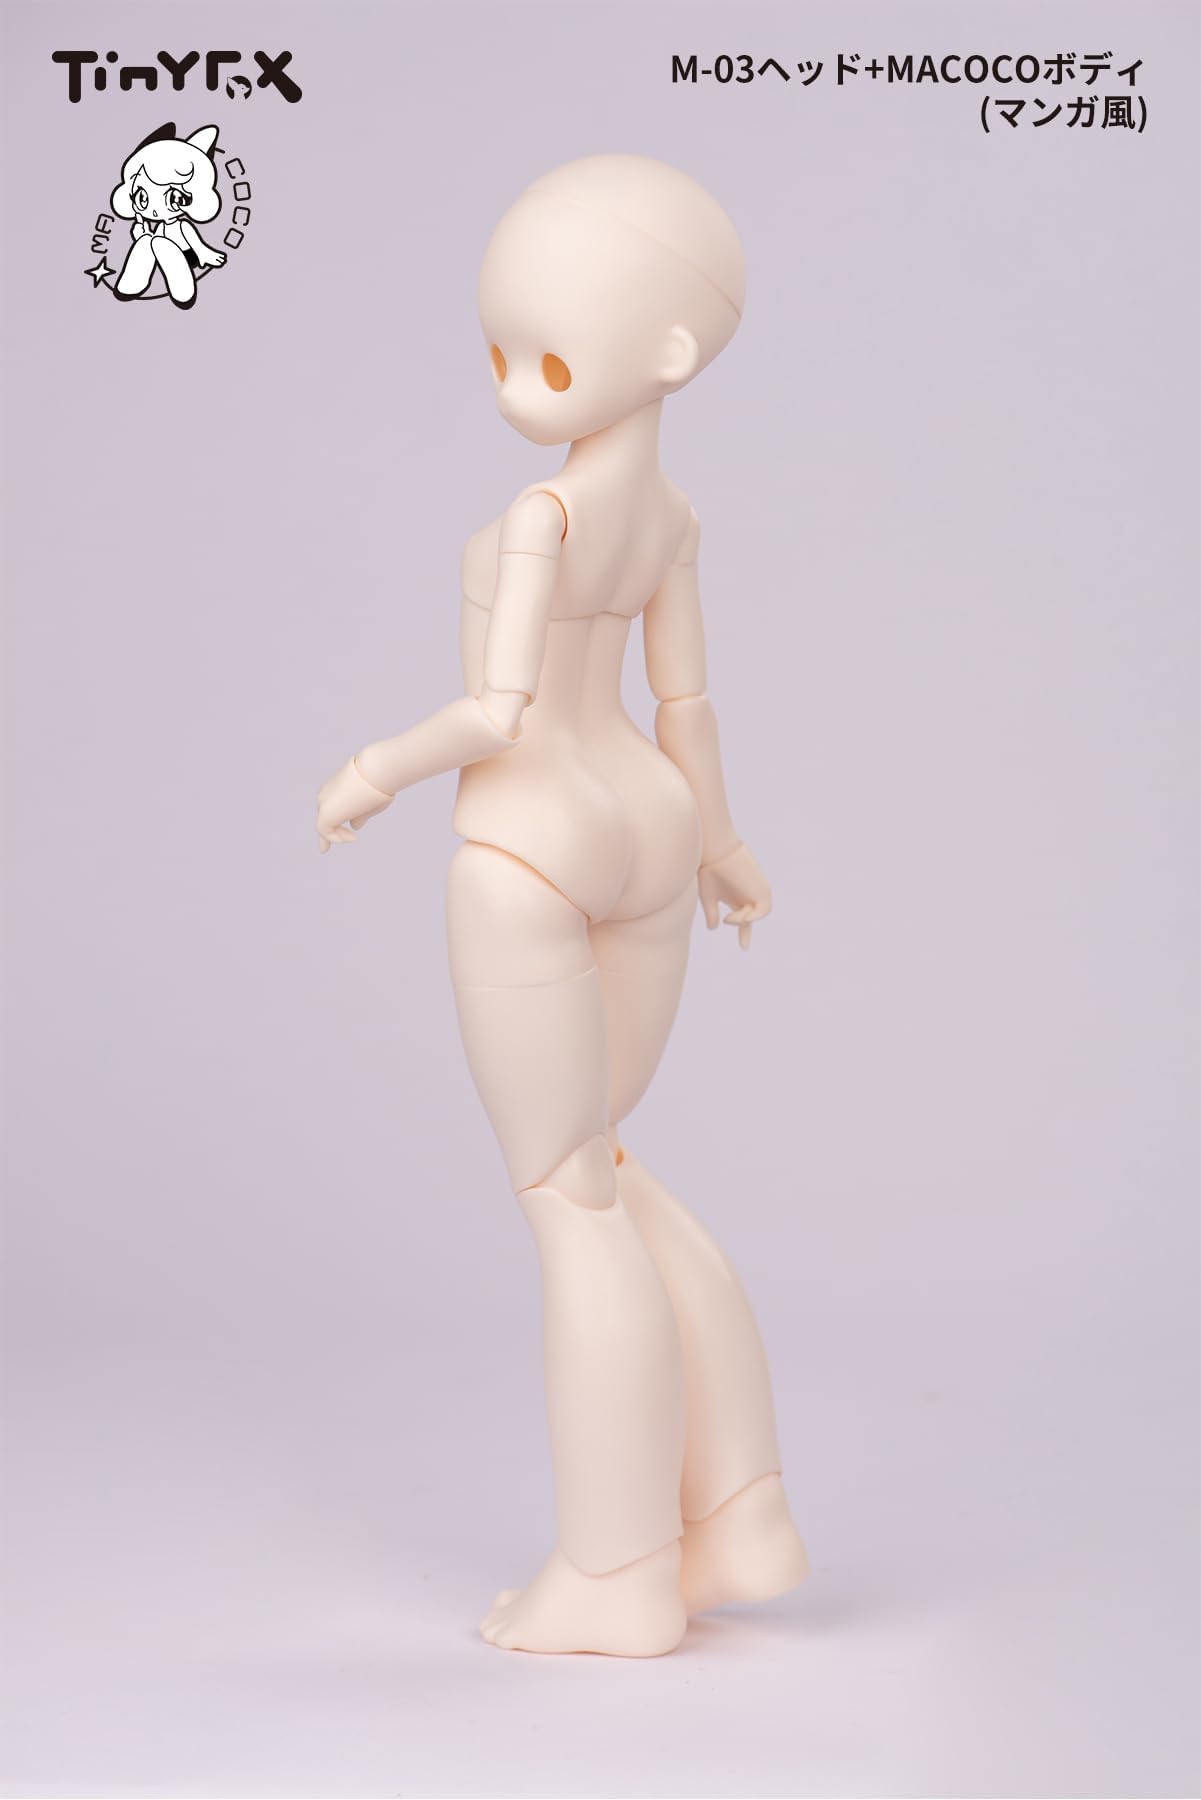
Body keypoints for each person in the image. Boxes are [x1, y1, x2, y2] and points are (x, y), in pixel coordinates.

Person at [317, 155, 808, 1656]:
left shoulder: (543, 513)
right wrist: (721, 844)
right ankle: (738, 1516)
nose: (514, 387)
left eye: (546, 359)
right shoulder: (670, 517)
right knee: (607, 1169)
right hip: (650, 825)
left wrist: (372, 770)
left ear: (668, 352)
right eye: (500, 353)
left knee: (568, 1198)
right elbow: (686, 704)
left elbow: (496, 711)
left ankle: (614, 1571)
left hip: (533, 839)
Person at [110, 123, 226, 309]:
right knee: (148, 241)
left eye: (173, 197)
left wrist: (205, 253)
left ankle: (183, 288)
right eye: (142, 197)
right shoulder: (158, 227)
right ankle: (133, 282)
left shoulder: (182, 226)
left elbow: (196, 244)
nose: (155, 209)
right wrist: (141, 235)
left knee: (159, 243)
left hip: (187, 257)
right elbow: (149, 246)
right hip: (160, 254)